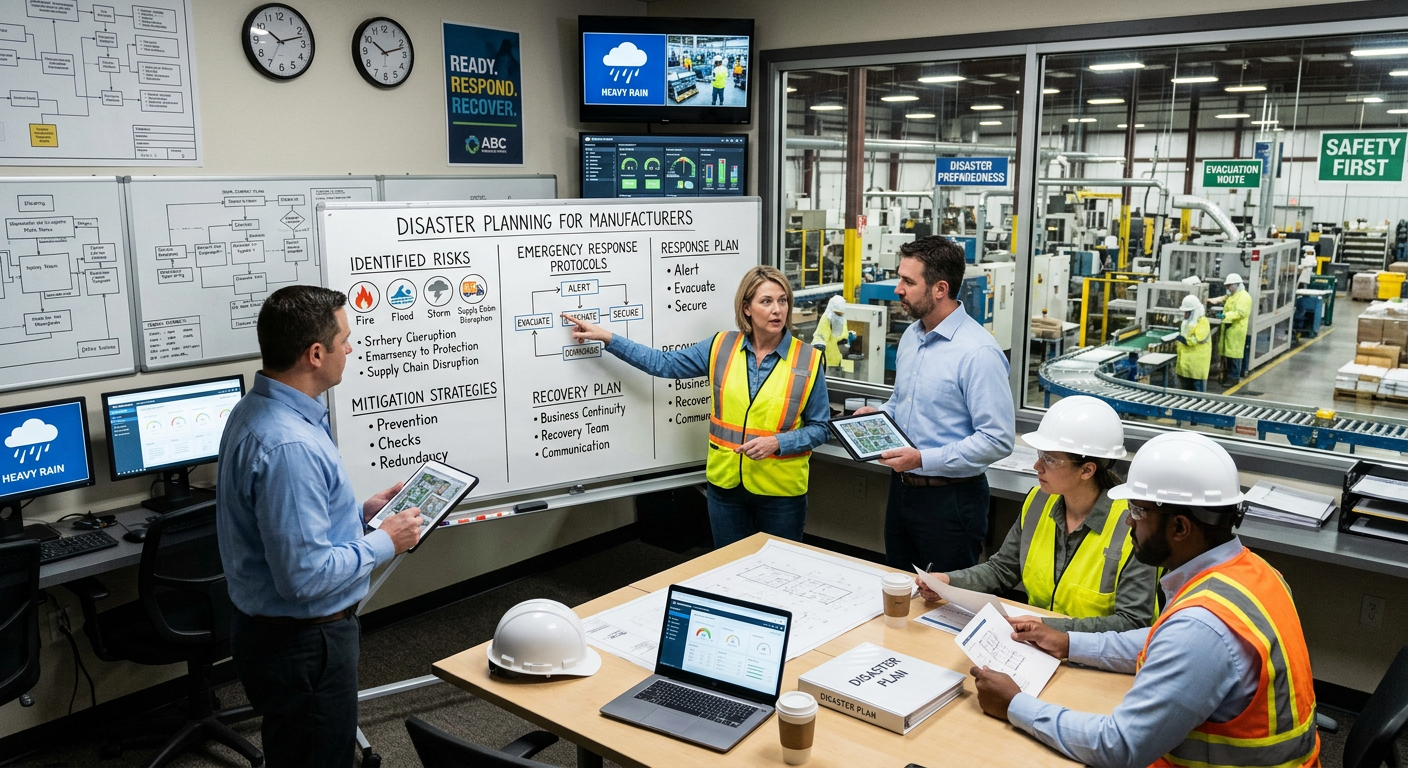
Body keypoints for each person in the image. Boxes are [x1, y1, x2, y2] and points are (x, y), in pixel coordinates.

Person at [968, 431, 1321, 768]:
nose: (1127, 520)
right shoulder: (1253, 571)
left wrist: (1015, 704)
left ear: (1179, 527)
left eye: (1137, 511)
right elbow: (1159, 639)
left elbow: (1119, 746)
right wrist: (1068, 643)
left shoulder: (1200, 628)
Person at [217, 286, 423, 767]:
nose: (350, 348)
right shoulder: (290, 444)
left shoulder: (258, 411)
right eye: (344, 339)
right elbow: (304, 577)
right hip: (303, 646)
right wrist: (383, 543)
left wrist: (357, 516)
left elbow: (288, 529)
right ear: (315, 353)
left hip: (271, 636)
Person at [564, 265, 829, 547]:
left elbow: (821, 428)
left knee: (778, 576)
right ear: (747, 308)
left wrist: (778, 442)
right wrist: (609, 338)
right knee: (727, 572)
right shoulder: (721, 346)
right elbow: (662, 364)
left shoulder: (808, 360)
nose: (777, 309)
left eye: (783, 300)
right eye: (766, 301)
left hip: (781, 494)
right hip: (726, 490)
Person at [916, 395, 1156, 632]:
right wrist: (948, 582)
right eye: (1040, 455)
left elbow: (1132, 623)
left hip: (1098, 655)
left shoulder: (1132, 526)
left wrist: (1048, 628)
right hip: (1037, 645)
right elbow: (1003, 569)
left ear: (1087, 470)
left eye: (1050, 459)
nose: (1037, 466)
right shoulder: (1039, 501)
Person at [854, 235, 1015, 571]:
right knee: (899, 586)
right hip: (902, 493)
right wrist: (879, 415)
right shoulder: (913, 335)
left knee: (945, 604)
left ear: (940, 289)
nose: (898, 289)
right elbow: (902, 402)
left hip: (952, 501)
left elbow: (997, 439)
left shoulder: (978, 353)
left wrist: (923, 459)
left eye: (908, 281)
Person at [1174, 294, 1212, 392]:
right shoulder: (1186, 322)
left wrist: (1185, 341)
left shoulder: (1203, 322)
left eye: (1188, 312)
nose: (1185, 315)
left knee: (1197, 397)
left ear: (1194, 312)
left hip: (1196, 368)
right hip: (1185, 366)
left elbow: (1197, 338)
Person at [1219, 273, 1251, 386]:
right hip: (1229, 329)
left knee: (1235, 355)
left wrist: (1225, 316)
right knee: (1229, 355)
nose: (1228, 288)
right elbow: (1225, 299)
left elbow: (1240, 313)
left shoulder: (1244, 296)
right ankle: (1229, 376)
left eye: (1230, 286)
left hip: (1236, 330)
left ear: (1237, 285)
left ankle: (1234, 378)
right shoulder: (1233, 295)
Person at [810, 294, 847, 368]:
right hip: (826, 362)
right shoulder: (826, 319)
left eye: (840, 314)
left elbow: (843, 335)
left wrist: (847, 338)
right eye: (836, 313)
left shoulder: (842, 320)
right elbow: (820, 336)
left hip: (838, 360)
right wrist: (819, 345)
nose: (838, 316)